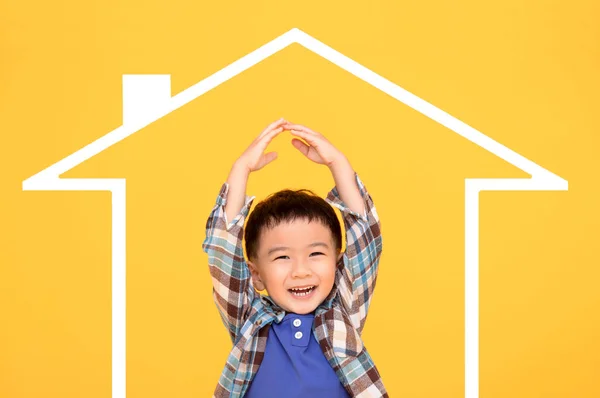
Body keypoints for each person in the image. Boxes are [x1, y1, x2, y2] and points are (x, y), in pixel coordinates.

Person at [202, 118, 387, 397]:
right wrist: (240, 170)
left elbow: (366, 242)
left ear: (338, 265)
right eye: (282, 258)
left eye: (315, 253)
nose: (301, 270)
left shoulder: (343, 314)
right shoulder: (249, 319)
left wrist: (338, 163)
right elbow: (222, 252)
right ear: (256, 274)